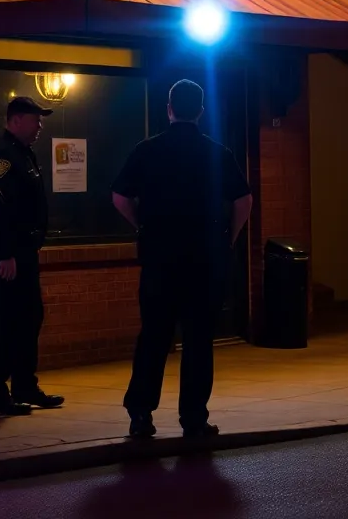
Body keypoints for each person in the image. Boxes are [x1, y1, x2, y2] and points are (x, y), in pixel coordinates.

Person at [111, 79, 253, 439]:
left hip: (159, 259)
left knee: (154, 338)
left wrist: (143, 226)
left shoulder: (147, 150)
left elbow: (119, 197)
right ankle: (193, 418)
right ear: (201, 112)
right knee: (198, 340)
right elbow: (243, 200)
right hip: (204, 260)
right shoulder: (218, 153)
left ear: (169, 109)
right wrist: (228, 240)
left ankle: (141, 414)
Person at [0, 96, 66, 416]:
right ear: (15, 120)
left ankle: (25, 384)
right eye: (35, 119)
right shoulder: (1, 156)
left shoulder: (22, 154)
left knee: (30, 317)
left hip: (24, 252)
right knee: (4, 321)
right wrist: (5, 253)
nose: (40, 125)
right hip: (10, 255)